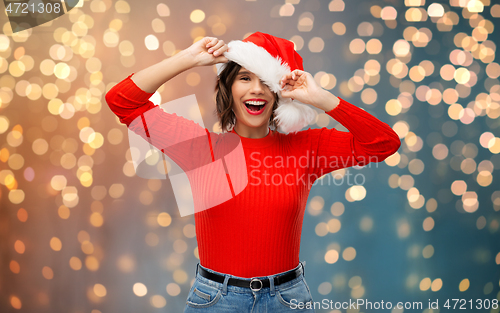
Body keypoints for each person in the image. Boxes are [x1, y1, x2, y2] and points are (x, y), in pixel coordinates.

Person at [105, 32, 401, 313]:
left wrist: (319, 98)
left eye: (266, 82)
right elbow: (121, 101)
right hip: (216, 300)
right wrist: (189, 58)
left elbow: (383, 144)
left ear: (279, 94)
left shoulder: (307, 148)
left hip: (288, 300)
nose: (256, 89)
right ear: (229, 87)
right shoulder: (199, 148)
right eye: (245, 78)